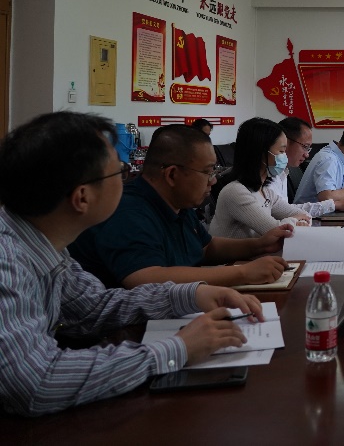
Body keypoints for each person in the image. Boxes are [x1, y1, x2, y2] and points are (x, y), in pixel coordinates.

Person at [0, 112, 264, 416]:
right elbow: (35, 383)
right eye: (120, 171)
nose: (129, 179)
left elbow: (93, 308)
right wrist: (177, 349)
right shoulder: (7, 261)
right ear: (82, 198)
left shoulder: (46, 244)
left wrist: (191, 294)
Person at [69, 125, 292, 288]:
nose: (213, 180)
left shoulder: (179, 202)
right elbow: (145, 278)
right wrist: (242, 273)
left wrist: (259, 245)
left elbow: (206, 248)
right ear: (172, 175)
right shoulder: (129, 211)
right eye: (208, 172)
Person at [209, 118, 312, 239]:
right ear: (261, 153)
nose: (285, 156)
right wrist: (295, 220)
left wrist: (297, 221)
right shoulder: (235, 192)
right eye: (281, 151)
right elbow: (276, 232)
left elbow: (305, 215)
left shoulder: (265, 192)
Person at [266, 117, 339, 216]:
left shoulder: (283, 171)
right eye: (305, 147)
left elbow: (285, 209)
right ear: (285, 142)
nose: (307, 155)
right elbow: (280, 212)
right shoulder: (269, 173)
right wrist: (333, 205)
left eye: (308, 148)